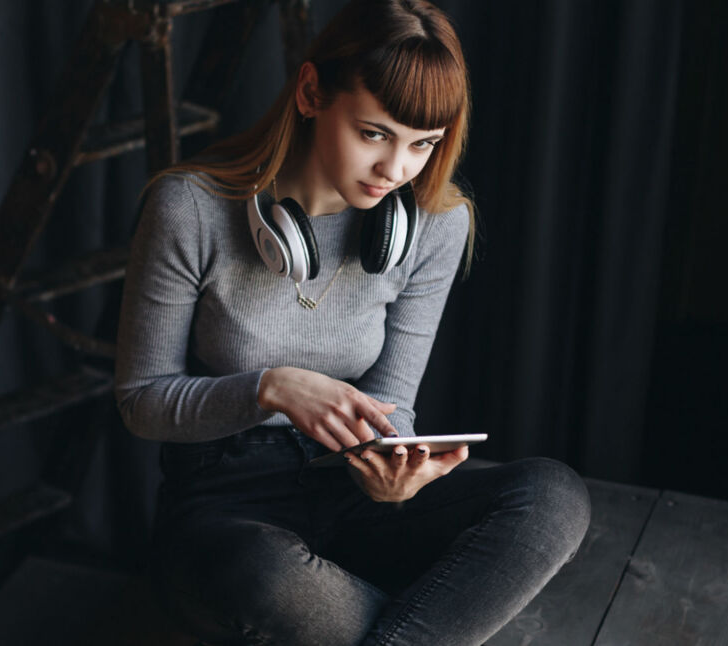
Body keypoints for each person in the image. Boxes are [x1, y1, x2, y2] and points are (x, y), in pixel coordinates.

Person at [114, 1, 590, 643]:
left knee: (554, 498)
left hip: (352, 495)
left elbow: (396, 404)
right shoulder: (190, 208)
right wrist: (270, 387)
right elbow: (141, 401)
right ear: (311, 93)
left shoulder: (436, 225)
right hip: (224, 510)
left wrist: (396, 475)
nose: (397, 170)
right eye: (374, 133)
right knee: (265, 581)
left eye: (422, 144)